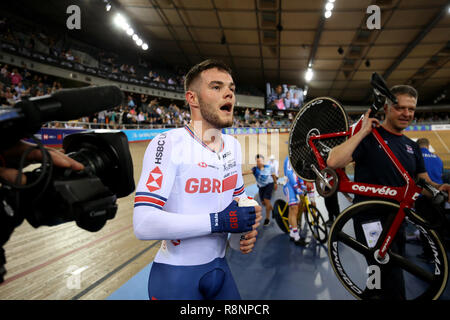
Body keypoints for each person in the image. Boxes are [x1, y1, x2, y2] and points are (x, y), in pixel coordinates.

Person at [133, 59, 262, 300]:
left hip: (221, 267)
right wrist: (218, 222)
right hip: (176, 278)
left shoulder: (233, 146)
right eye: (216, 87)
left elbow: (239, 202)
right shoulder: (167, 143)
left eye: (231, 89)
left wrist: (245, 230)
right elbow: (143, 223)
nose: (229, 94)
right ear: (192, 98)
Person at [327, 84, 450, 299]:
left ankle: (372, 291)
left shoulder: (411, 147)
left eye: (411, 109)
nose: (407, 114)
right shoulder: (369, 137)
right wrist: (364, 131)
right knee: (392, 278)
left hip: (398, 220)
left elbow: (423, 182)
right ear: (386, 108)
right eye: (400, 108)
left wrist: (440, 188)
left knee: (381, 276)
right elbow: (334, 160)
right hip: (369, 220)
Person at [243, 154, 277, 227]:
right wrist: (240, 173)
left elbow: (273, 175)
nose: (259, 162)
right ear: (256, 161)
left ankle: (267, 219)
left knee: (266, 200)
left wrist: (275, 183)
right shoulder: (255, 169)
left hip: (269, 185)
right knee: (264, 203)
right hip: (261, 187)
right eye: (258, 161)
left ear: (263, 161)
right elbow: (247, 172)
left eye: (260, 161)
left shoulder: (268, 167)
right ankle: (274, 210)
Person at [283, 156, 308, 246]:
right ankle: (296, 237)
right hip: (289, 186)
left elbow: (299, 174)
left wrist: (302, 185)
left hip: (293, 185)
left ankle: (292, 233)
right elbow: (289, 174)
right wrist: (297, 187)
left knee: (292, 211)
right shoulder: (289, 158)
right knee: (294, 209)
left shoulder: (297, 158)